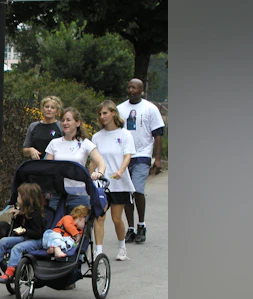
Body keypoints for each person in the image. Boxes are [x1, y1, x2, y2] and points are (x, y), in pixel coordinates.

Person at [117, 78, 165, 244]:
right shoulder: (120, 109)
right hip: (124, 156)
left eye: (135, 88)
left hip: (142, 154)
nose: (131, 90)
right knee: (126, 193)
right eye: (129, 87)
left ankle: (141, 224)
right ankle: (130, 228)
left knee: (137, 190)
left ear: (141, 91)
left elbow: (157, 134)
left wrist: (157, 159)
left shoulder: (150, 109)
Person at [92, 100, 136, 261]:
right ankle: (98, 250)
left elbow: (128, 155)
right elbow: (93, 160)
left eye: (105, 113)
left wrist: (121, 170)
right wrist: (89, 178)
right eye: (100, 114)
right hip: (101, 183)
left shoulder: (125, 135)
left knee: (117, 219)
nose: (102, 116)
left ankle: (122, 247)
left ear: (113, 113)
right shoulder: (96, 137)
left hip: (119, 183)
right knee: (99, 217)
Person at [45, 107, 107, 212]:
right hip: (58, 194)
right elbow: (47, 167)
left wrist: (99, 173)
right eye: (63, 120)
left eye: (68, 120)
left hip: (79, 195)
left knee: (76, 227)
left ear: (78, 123)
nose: (65, 123)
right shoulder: (54, 143)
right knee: (54, 226)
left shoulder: (85, 143)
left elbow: (101, 162)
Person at [0, 183, 46, 284]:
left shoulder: (36, 215)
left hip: (36, 240)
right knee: (4, 241)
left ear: (26, 198)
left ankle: (10, 272)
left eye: (19, 196)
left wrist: (25, 230)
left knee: (17, 248)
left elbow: (38, 233)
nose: (17, 198)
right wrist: (19, 214)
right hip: (26, 237)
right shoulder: (26, 212)